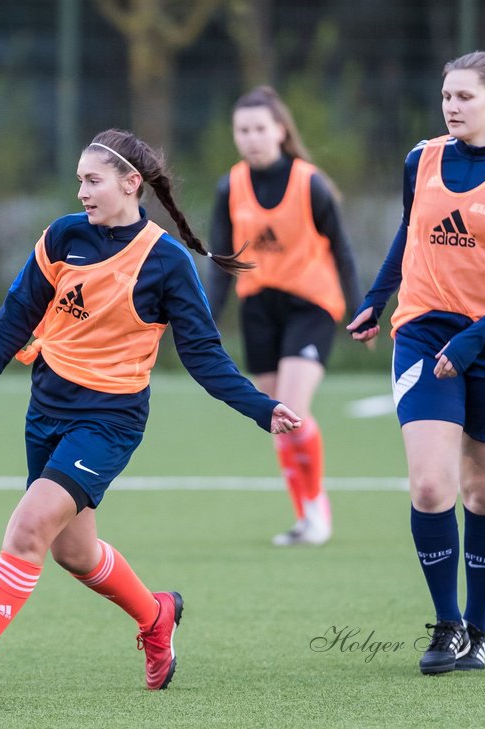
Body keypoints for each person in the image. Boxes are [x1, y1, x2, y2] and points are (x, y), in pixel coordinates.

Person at [0, 128, 302, 709]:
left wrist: (263, 407)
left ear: (132, 184)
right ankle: (157, 616)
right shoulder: (63, 237)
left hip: (109, 420)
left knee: (29, 527)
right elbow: (14, 317)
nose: (81, 191)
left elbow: (203, 356)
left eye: (93, 180)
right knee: (73, 553)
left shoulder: (166, 262)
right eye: (79, 180)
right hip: (47, 409)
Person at [345, 51, 485, 674]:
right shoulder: (423, 159)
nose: (451, 106)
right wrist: (376, 298)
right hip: (423, 333)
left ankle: (479, 627)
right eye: (446, 96)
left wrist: (472, 343)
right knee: (432, 484)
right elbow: (409, 231)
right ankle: (446, 628)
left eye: (465, 97)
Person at [207, 85, 360, 546]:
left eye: (259, 128)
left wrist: (361, 310)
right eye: (242, 130)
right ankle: (304, 517)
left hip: (309, 304)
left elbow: (343, 251)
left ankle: (317, 510)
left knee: (293, 410)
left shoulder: (308, 182)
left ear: (279, 131)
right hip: (259, 307)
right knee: (275, 416)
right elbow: (221, 263)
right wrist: (205, 318)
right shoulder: (229, 186)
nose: (251, 138)